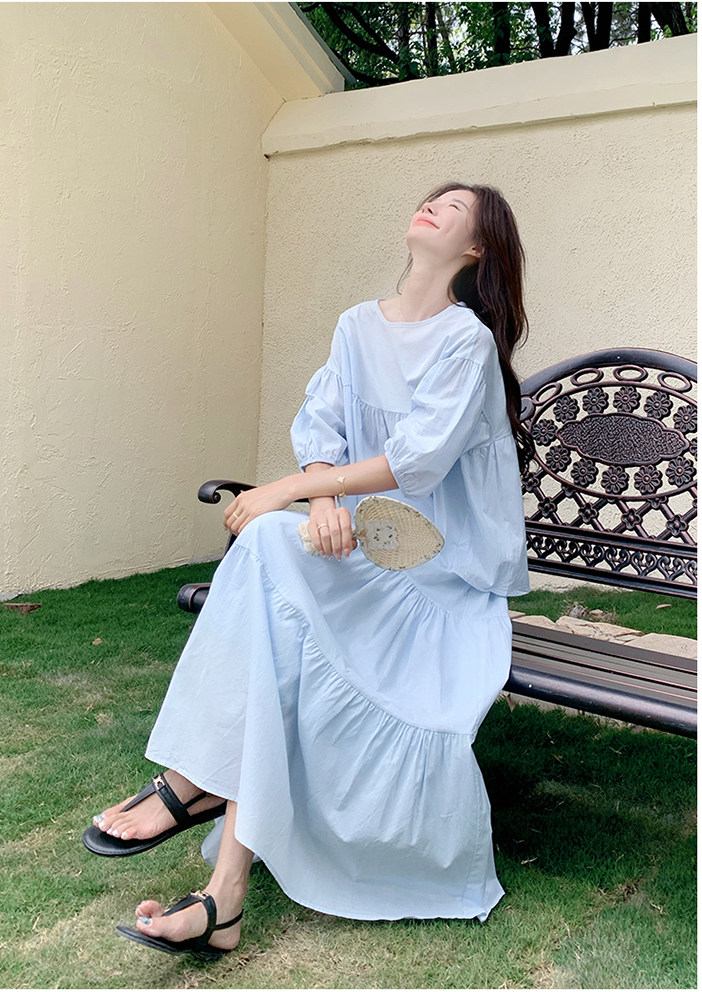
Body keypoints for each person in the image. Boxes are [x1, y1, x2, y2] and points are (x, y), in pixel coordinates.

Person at [83, 180, 533, 960]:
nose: (433, 206)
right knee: (270, 569)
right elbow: (321, 425)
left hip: (439, 584)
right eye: (433, 197)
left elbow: (419, 459)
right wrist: (320, 498)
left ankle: (201, 799)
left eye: (456, 209)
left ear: (475, 248)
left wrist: (290, 490)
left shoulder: (465, 343)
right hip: (362, 556)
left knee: (267, 558)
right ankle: (220, 892)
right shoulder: (357, 325)